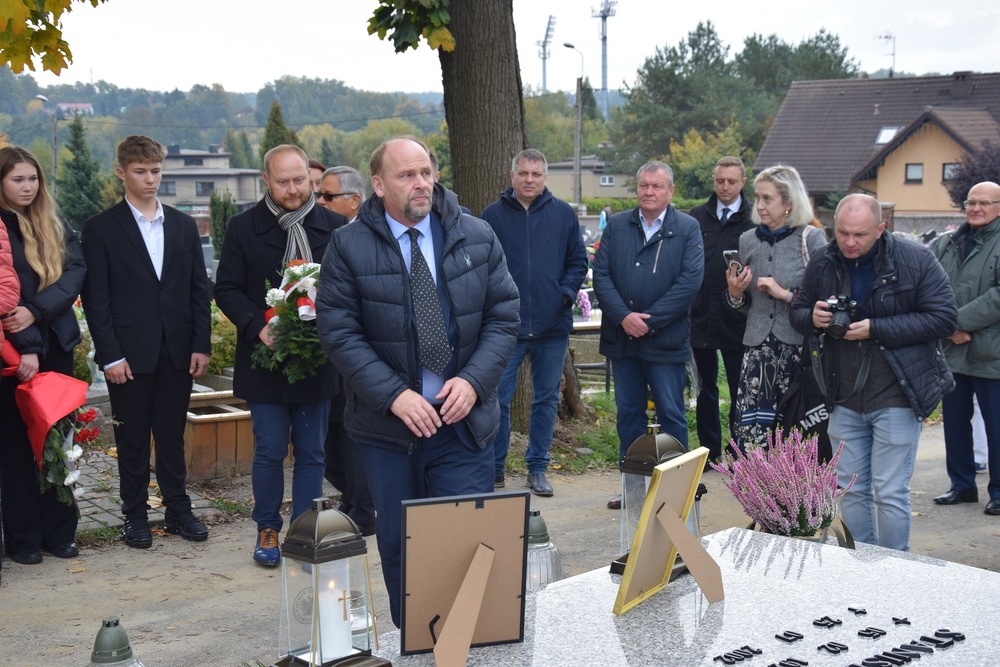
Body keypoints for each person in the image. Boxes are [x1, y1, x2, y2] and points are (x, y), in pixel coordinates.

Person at [316, 137, 519, 627]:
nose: (421, 183)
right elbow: (339, 333)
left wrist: (473, 382)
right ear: (379, 184)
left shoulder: (476, 235)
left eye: (426, 172)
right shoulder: (348, 246)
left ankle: (469, 641)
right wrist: (394, 396)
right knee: (400, 544)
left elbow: (504, 315)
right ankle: (418, 639)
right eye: (406, 175)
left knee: (468, 540)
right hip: (390, 431)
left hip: (462, 424)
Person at [791, 193, 956, 550]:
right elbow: (799, 310)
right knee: (850, 488)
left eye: (860, 234)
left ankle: (895, 568)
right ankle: (860, 566)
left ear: (881, 228)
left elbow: (944, 318)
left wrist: (875, 328)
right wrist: (812, 317)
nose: (849, 242)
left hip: (898, 391)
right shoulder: (823, 260)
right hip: (843, 395)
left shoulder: (915, 259)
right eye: (842, 233)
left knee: (890, 491)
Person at [214, 145, 348, 566]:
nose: (293, 190)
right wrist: (258, 325)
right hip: (264, 360)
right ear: (266, 181)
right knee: (270, 449)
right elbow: (226, 288)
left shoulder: (336, 226)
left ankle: (304, 531)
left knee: (312, 452)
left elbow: (350, 285)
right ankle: (267, 527)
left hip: (317, 361)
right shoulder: (242, 227)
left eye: (300, 181)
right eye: (283, 182)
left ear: (310, 178)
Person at [81, 135, 212, 549]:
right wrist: (110, 356)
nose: (150, 179)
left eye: (156, 171)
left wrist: (201, 344)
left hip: (177, 349)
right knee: (132, 439)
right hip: (128, 353)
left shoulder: (183, 225)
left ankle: (178, 510)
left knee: (171, 435)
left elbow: (198, 289)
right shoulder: (100, 228)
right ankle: (134, 515)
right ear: (122, 172)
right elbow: (96, 299)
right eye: (140, 172)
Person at [592, 161, 703, 509]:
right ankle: (633, 490)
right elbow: (601, 274)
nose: (649, 192)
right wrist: (623, 317)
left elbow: (689, 282)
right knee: (628, 415)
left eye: (657, 186)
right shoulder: (617, 225)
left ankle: (675, 493)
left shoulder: (687, 228)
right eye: (644, 185)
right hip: (622, 339)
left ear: (671, 191)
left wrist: (649, 322)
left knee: (671, 414)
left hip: (665, 341)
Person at [481, 148, 588, 496]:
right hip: (505, 327)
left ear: (544, 177)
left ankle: (538, 468)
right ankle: (495, 469)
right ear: (512, 175)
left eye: (536, 174)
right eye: (523, 173)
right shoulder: (492, 216)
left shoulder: (563, 215)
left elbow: (578, 261)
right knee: (497, 398)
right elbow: (481, 264)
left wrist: (563, 295)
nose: (529, 180)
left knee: (546, 400)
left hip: (551, 325)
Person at [0, 146, 85, 563]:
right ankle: (24, 539)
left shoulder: (52, 218)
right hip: (12, 355)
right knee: (17, 448)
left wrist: (36, 310)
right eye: (18, 179)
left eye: (33, 178)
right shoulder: (1, 225)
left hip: (56, 345)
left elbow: (75, 271)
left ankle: (60, 532)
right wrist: (26, 341)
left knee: (58, 444)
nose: (28, 187)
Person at [725, 165, 827, 451]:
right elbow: (744, 305)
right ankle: (757, 482)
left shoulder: (811, 238)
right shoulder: (747, 240)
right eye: (757, 197)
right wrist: (734, 293)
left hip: (796, 353)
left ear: (789, 202)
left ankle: (793, 482)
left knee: (794, 430)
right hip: (757, 354)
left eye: (767, 198)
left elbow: (825, 297)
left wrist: (785, 294)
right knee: (754, 435)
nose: (759, 205)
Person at [930, 182, 1000, 516]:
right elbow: (929, 285)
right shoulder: (946, 242)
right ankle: (961, 485)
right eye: (971, 202)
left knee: (996, 427)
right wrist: (948, 327)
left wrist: (956, 322)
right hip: (952, 351)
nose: (976, 208)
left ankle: (998, 491)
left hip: (992, 353)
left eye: (984, 203)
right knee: (955, 423)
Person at [316, 165, 375, 534]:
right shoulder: (330, 234)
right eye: (318, 195)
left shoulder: (367, 237)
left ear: (354, 201)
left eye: (327, 196)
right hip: (333, 348)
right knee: (334, 434)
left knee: (354, 433)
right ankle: (352, 497)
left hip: (362, 352)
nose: (319, 202)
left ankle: (363, 506)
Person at [688, 156, 754, 463]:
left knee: (741, 388)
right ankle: (710, 451)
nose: (725, 187)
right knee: (705, 388)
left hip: (738, 316)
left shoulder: (754, 218)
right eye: (720, 181)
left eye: (731, 181)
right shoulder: (696, 217)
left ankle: (738, 452)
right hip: (701, 315)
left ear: (743, 182)